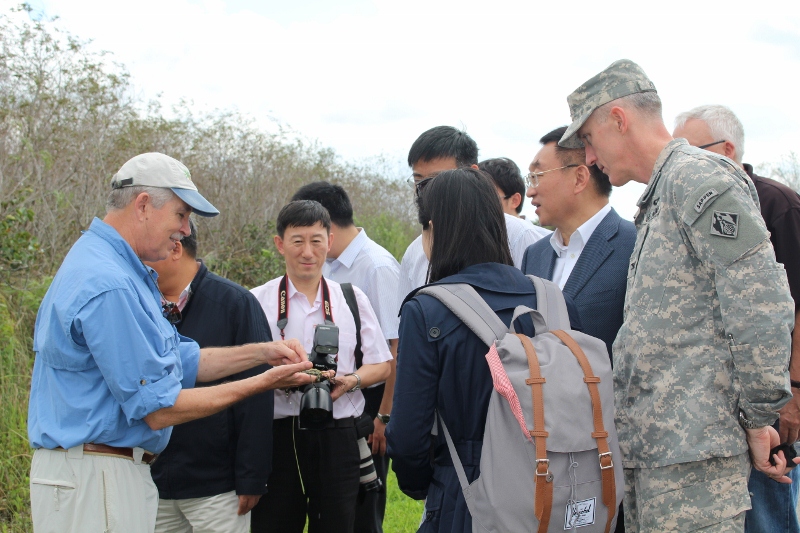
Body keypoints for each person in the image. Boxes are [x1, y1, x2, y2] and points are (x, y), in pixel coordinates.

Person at [560, 59, 796, 531]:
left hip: (696, 460)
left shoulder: (699, 179)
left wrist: (756, 416)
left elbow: (760, 305)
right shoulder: (662, 194)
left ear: (619, 120)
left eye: (587, 138)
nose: (588, 157)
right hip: (660, 456)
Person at [27, 152, 315, 533]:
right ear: (144, 205)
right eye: (181, 214)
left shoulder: (120, 270)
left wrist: (262, 353)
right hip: (96, 478)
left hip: (102, 474)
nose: (185, 229)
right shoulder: (110, 283)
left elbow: (178, 359)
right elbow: (158, 407)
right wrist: (265, 381)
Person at [386, 168, 581, 533]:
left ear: (433, 228)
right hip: (555, 492)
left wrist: (422, 484)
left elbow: (408, 435)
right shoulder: (555, 299)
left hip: (465, 493)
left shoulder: (428, 310)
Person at [673, 104, 800, 533]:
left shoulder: (776, 204)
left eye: (690, 149)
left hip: (773, 402)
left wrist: (794, 394)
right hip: (719, 411)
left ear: (727, 148)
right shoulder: (687, 206)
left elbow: (796, 306)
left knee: (768, 511)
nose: (681, 162)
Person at [250, 200, 392, 533]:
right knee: (273, 524)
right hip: (278, 434)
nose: (307, 251)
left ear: (329, 241)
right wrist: (279, 378)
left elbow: (382, 365)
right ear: (279, 244)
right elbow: (244, 370)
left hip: (338, 432)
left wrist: (350, 381)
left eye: (316, 240)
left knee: (337, 524)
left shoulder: (351, 298)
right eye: (297, 240)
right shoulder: (256, 300)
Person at [145, 219, 273, 533]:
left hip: (217, 488)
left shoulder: (235, 303)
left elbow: (258, 393)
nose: (138, 262)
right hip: (151, 483)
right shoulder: (139, 303)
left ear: (176, 247)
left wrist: (251, 477)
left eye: (145, 252)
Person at [291, 181, 401, 533]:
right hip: (332, 403)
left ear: (328, 227)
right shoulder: (333, 266)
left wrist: (383, 415)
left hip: (368, 403)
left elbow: (396, 349)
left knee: (363, 512)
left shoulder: (376, 267)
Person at [397, 126, 549, 303]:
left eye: (437, 179)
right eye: (418, 181)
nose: (426, 191)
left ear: (473, 173)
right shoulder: (414, 254)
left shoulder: (520, 237)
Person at [521, 126, 636, 357]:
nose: (530, 192)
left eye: (536, 176)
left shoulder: (634, 244)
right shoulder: (535, 254)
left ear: (579, 178)